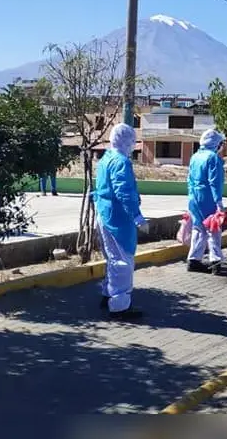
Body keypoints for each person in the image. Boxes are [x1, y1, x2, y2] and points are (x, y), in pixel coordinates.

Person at [93, 123, 148, 319]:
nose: (133, 145)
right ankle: (119, 305)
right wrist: (136, 215)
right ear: (126, 141)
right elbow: (124, 191)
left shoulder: (106, 157)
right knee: (123, 260)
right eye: (132, 141)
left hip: (105, 213)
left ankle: (107, 294)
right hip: (118, 218)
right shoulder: (120, 162)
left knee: (112, 258)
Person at [186, 129, 226, 274]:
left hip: (194, 198)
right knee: (213, 229)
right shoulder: (213, 158)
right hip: (207, 197)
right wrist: (219, 201)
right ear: (216, 143)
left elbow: (189, 179)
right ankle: (215, 261)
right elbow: (215, 182)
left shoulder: (195, 156)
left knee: (198, 228)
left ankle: (193, 260)